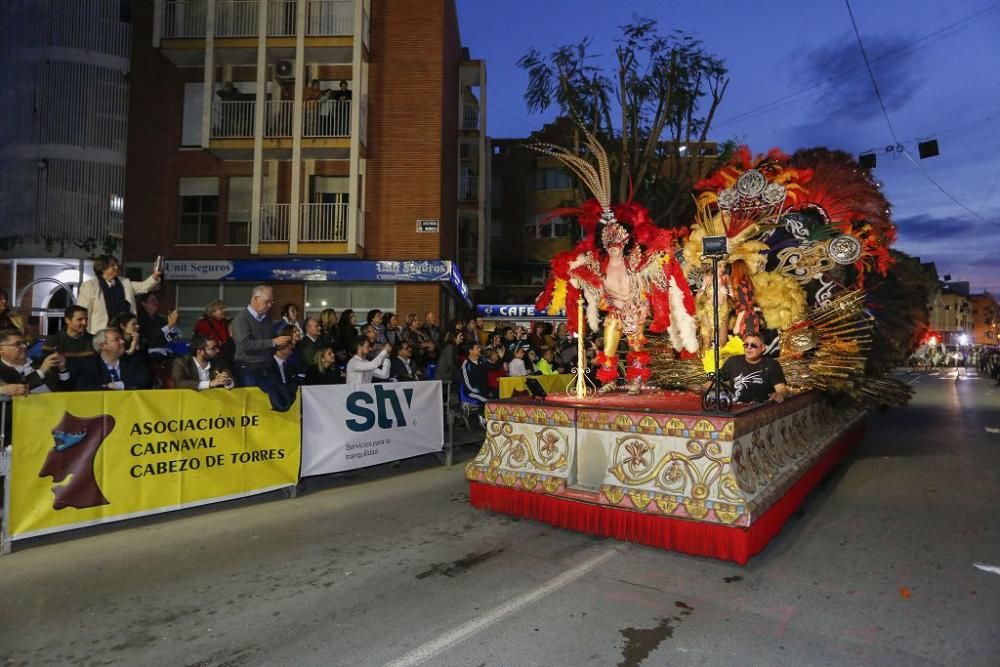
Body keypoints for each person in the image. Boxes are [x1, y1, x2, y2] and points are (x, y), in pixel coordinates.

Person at [75, 254, 161, 334]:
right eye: (112, 265)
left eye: (116, 264)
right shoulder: (89, 286)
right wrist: (83, 332)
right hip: (100, 333)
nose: (116, 267)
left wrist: (156, 275)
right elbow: (82, 311)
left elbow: (143, 287)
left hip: (124, 332)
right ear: (103, 268)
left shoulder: (124, 282)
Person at [696, 333, 789, 404]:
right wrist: (701, 388)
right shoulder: (733, 361)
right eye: (746, 345)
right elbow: (714, 382)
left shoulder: (771, 365)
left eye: (753, 345)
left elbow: (781, 389)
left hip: (761, 408)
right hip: (738, 408)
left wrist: (779, 395)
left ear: (763, 348)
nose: (748, 348)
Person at [230, 285, 292, 390]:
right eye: (267, 302)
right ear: (255, 299)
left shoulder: (266, 319)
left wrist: (282, 343)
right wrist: (273, 342)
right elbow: (245, 344)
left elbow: (271, 341)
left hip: (267, 367)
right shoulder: (241, 319)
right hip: (248, 368)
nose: (270, 305)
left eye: (271, 302)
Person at [75, 328, 153, 391]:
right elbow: (84, 387)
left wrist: (118, 385)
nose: (122, 342)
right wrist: (107, 388)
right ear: (103, 345)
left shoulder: (134, 360)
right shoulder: (89, 364)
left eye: (121, 339)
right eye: (116, 340)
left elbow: (145, 382)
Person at [0, 328, 69, 395]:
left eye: (24, 343)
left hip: (58, 403)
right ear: (1, 349)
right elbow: (19, 388)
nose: (24, 346)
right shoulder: (2, 372)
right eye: (17, 344)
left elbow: (66, 389)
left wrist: (62, 369)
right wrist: (41, 371)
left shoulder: (40, 361)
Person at [41, 305, 96, 380]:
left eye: (86, 319)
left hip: (90, 386)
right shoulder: (52, 342)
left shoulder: (95, 341)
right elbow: (49, 371)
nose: (84, 323)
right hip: (61, 387)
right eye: (80, 319)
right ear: (67, 320)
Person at [193, 299, 234, 365]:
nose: (224, 310)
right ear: (212, 312)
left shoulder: (226, 323)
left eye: (224, 308)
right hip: (211, 359)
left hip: (226, 357)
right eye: (221, 309)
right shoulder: (203, 324)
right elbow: (201, 344)